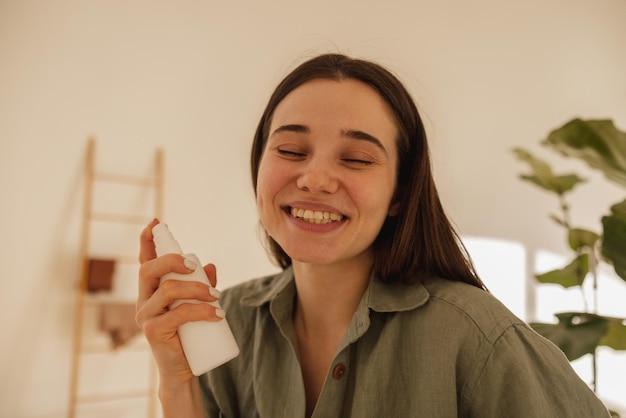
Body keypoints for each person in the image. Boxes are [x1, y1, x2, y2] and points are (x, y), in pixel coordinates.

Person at [136, 53, 610, 417]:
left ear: (401, 193)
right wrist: (176, 385)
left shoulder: (478, 338)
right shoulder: (229, 324)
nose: (315, 179)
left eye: (357, 159)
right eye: (290, 149)